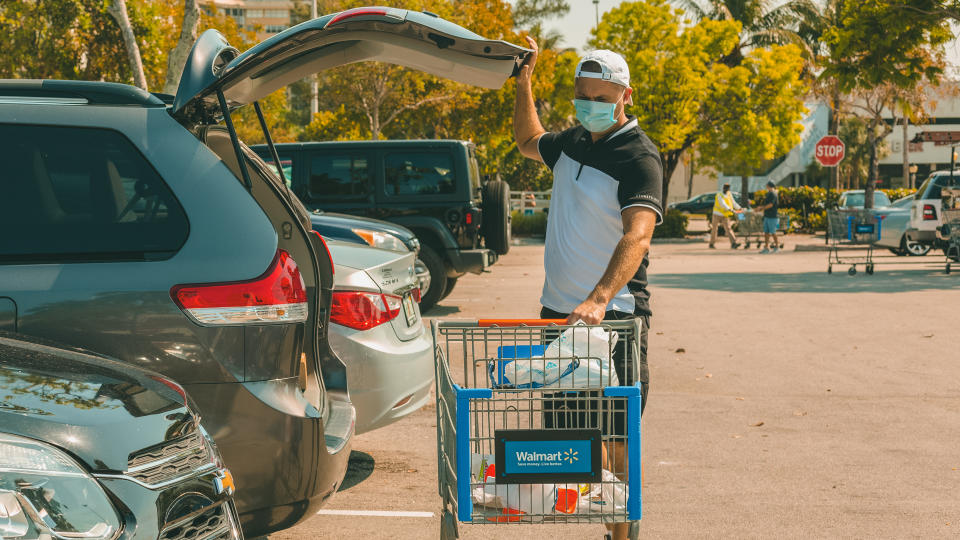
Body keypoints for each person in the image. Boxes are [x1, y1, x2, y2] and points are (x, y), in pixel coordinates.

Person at [513, 38, 661, 540]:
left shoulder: (639, 158)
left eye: (601, 97)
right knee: (574, 430)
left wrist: (598, 298)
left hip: (612, 316)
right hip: (558, 315)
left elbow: (637, 234)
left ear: (626, 96)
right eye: (583, 95)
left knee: (618, 435)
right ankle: (607, 515)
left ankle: (622, 533)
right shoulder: (574, 142)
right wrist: (524, 81)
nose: (590, 105)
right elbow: (528, 140)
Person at [709, 183, 742, 249]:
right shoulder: (719, 195)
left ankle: (733, 243)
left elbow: (733, 202)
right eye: (726, 188)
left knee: (728, 229)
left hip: (725, 215)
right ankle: (711, 243)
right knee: (714, 229)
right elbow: (722, 204)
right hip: (717, 214)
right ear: (723, 188)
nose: (726, 190)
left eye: (727, 188)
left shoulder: (729, 194)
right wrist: (730, 209)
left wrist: (739, 208)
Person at [757, 180, 780, 253]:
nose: (766, 186)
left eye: (767, 185)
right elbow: (766, 204)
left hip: (772, 216)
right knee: (766, 232)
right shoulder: (769, 193)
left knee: (773, 232)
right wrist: (761, 208)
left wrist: (761, 208)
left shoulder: (773, 194)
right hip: (767, 216)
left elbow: (771, 205)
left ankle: (777, 247)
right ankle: (766, 248)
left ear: (769, 186)